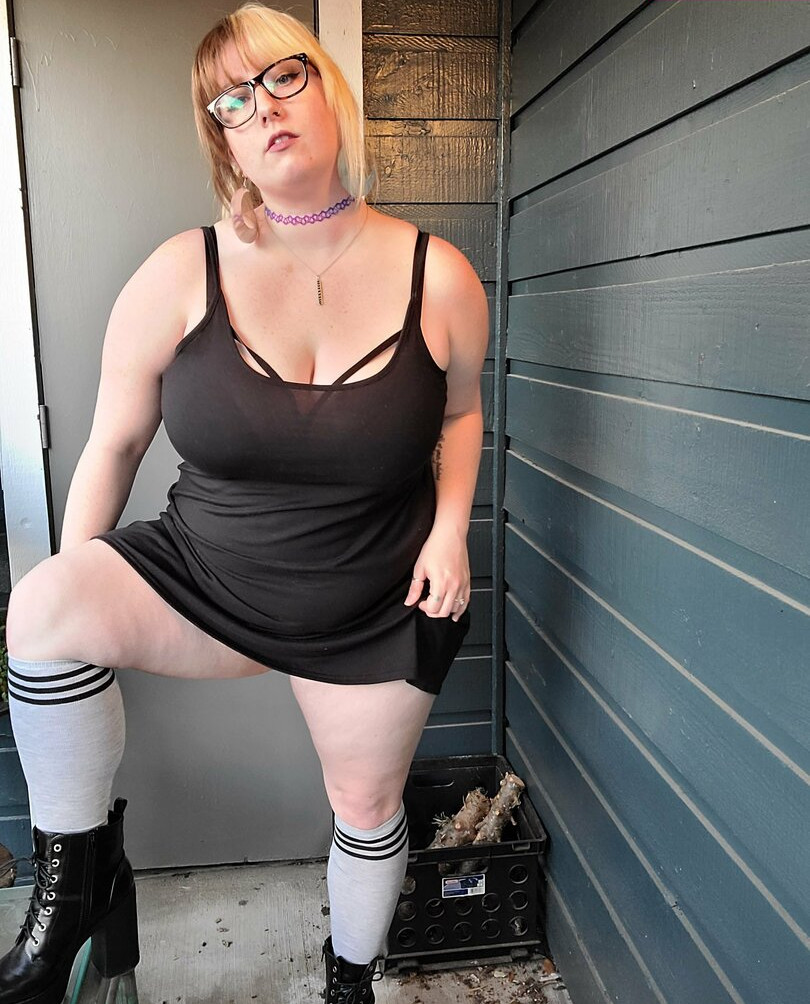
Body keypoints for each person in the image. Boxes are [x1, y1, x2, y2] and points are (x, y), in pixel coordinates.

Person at [0, 3, 489, 1001]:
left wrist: (451, 532)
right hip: (206, 575)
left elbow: (463, 412)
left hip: (372, 596)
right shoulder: (180, 272)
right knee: (43, 611)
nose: (262, 107)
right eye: (232, 99)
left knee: (366, 803)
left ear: (327, 87)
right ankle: (77, 885)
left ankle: (351, 978)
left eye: (282, 76)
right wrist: (78, 574)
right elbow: (113, 444)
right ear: (221, 137)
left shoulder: (438, 274)